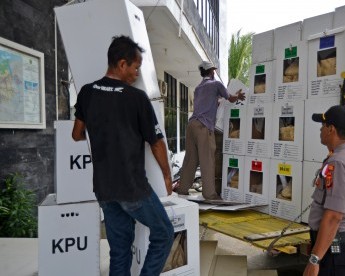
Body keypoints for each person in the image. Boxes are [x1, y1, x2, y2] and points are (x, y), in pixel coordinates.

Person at [71, 35, 174, 275]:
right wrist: (167, 175)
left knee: (119, 252)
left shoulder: (87, 92)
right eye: (136, 67)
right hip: (132, 188)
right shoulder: (136, 98)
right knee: (164, 233)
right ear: (121, 64)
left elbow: (77, 134)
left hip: (104, 190)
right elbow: (156, 143)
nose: (137, 73)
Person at [304, 105, 345, 276]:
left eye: (323, 126)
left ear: (331, 129)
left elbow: (333, 216)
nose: (320, 130)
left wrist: (314, 259)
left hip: (335, 255)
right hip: (332, 246)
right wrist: (317, 244)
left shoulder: (338, 162)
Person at [175, 61, 245, 200]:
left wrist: (219, 101)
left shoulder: (198, 88)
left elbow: (209, 103)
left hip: (191, 126)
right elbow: (230, 98)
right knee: (207, 160)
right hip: (203, 127)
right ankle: (210, 194)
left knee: (190, 159)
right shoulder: (216, 84)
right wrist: (238, 96)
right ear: (212, 71)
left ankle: (182, 189)